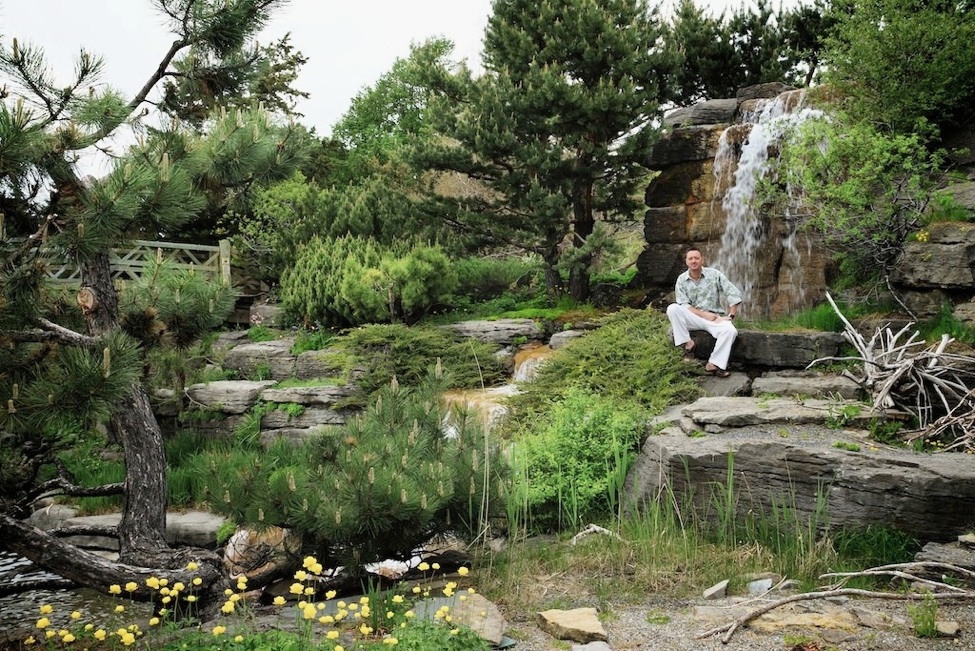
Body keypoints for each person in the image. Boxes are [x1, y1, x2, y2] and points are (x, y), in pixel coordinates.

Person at [666, 247, 743, 378]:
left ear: (702, 260)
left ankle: (713, 364)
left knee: (731, 331)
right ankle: (688, 344)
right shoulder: (681, 279)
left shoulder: (715, 275)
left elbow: (733, 293)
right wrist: (704, 314)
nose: (694, 261)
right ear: (686, 261)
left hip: (714, 318)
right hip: (693, 318)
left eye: (697, 258)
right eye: (690, 258)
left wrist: (731, 315)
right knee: (672, 308)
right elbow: (683, 304)